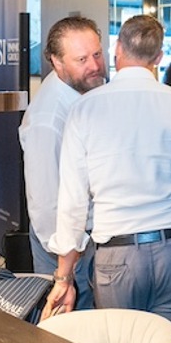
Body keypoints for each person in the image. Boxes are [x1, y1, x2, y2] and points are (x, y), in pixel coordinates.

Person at [46, 15, 171, 343]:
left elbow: (73, 203)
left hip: (118, 259)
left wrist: (64, 277)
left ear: (117, 49)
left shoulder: (85, 109)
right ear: (158, 57)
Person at [19, 16, 106, 310]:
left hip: (89, 240)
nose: (94, 65)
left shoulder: (84, 91)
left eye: (97, 54)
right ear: (57, 62)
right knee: (69, 331)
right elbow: (45, 202)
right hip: (64, 249)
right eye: (82, 59)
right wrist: (65, 265)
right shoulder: (48, 120)